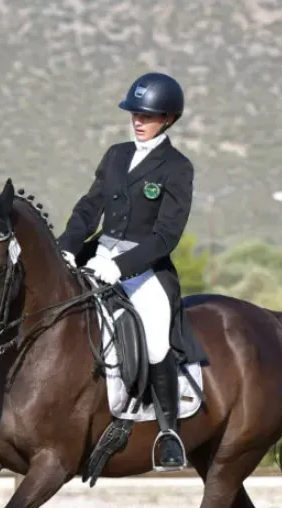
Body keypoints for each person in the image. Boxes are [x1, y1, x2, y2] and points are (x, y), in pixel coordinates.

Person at [56, 71, 197, 471]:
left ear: (167, 118)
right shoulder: (116, 154)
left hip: (143, 270)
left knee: (154, 339)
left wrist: (118, 266)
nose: (138, 120)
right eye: (134, 113)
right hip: (96, 255)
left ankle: (169, 432)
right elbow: (89, 207)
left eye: (147, 115)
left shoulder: (177, 168)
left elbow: (165, 237)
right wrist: (67, 249)